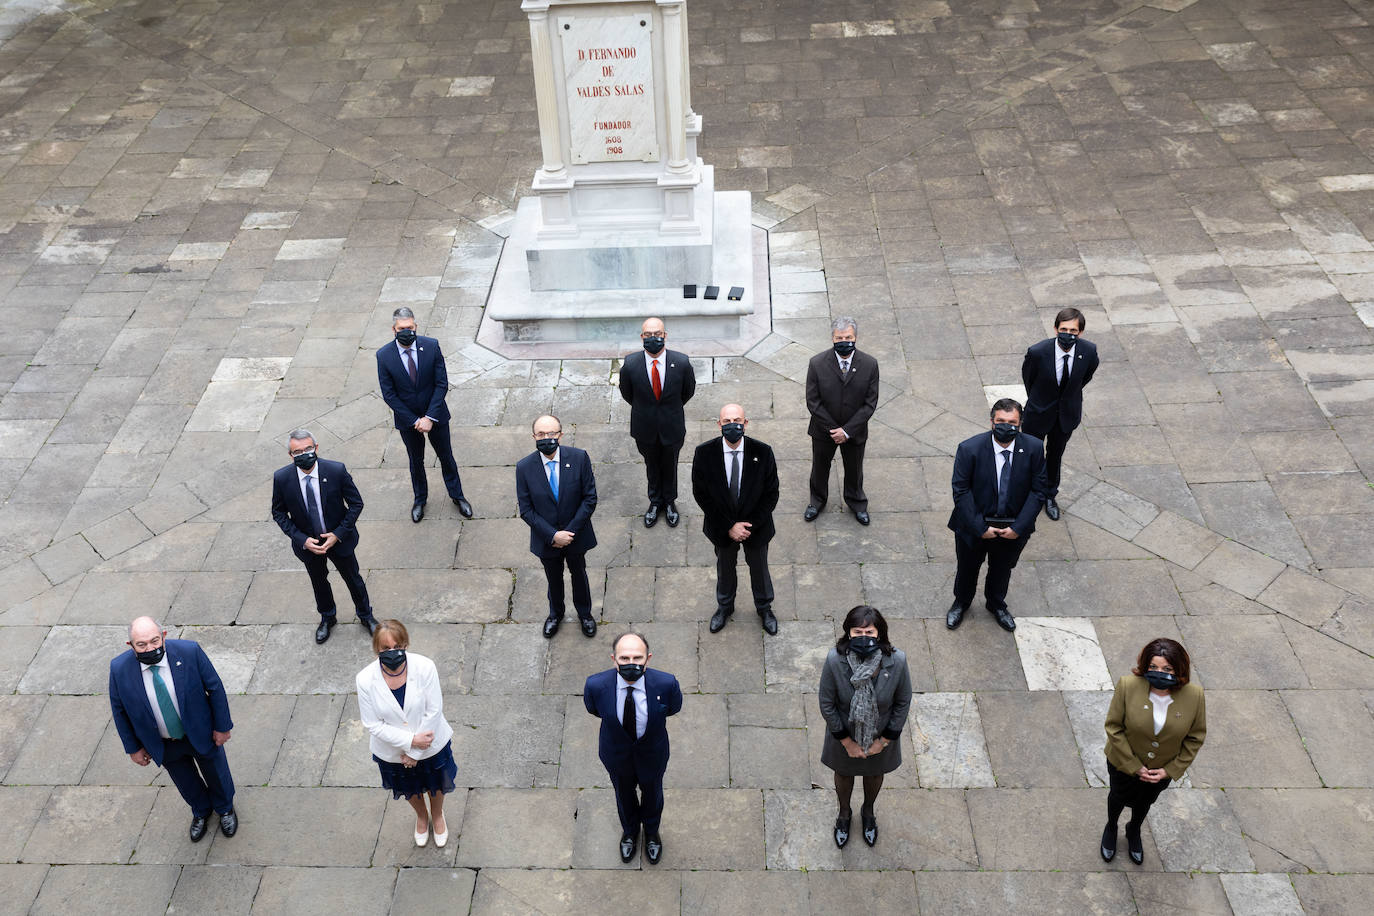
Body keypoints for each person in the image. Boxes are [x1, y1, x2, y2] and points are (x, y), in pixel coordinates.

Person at [108, 617, 237, 842]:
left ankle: (225, 808)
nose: (150, 648)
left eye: (154, 641)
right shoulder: (119, 669)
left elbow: (215, 688)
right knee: (185, 781)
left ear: (164, 636)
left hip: (201, 732)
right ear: (131, 646)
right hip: (164, 742)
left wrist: (222, 726)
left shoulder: (189, 652)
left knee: (216, 772)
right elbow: (119, 711)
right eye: (142, 645)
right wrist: (133, 748)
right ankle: (201, 811)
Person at [946, 398, 1047, 633]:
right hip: (975, 526)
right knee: (967, 568)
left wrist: (1019, 527)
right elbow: (961, 491)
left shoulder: (1032, 448)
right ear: (992, 421)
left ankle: (996, 604)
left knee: (1002, 569)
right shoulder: (969, 448)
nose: (1006, 426)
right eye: (1001, 421)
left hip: (1012, 528)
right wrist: (980, 527)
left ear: (1020, 423)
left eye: (1012, 422)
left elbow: (1038, 490)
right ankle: (961, 602)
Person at [1102, 637, 1206, 864]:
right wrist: (1134, 766)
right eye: (1154, 667)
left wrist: (1170, 770)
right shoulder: (1128, 686)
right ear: (1145, 666)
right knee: (1117, 797)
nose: (1160, 673)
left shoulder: (1194, 695)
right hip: (1123, 762)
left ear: (1179, 669)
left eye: (1167, 669)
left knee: (1145, 803)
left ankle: (1134, 830)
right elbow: (1114, 727)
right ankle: (1111, 828)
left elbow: (1195, 737)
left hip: (1160, 770)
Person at [270, 428, 379, 644]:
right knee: (318, 582)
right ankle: (328, 617)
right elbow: (278, 512)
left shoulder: (336, 470)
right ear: (290, 455)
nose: (304, 454)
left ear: (316, 448)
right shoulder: (282, 478)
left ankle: (366, 615)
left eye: (308, 448)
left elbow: (356, 504)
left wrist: (338, 534)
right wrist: (301, 539)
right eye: (298, 452)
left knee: (353, 579)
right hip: (308, 545)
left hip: (339, 540)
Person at [583, 632, 684, 865]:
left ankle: (651, 832)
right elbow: (594, 710)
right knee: (623, 794)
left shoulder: (666, 683)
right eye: (624, 658)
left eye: (637, 658)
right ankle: (630, 832)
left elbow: (673, 708)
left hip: (652, 755)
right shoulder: (596, 685)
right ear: (613, 659)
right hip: (617, 756)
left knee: (653, 794)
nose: (631, 664)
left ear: (648, 659)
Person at [356, 619, 457, 848]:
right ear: (377, 650)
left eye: (397, 647)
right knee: (409, 788)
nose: (393, 653)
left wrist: (415, 751)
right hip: (393, 752)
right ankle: (422, 817)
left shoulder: (425, 667)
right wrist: (411, 742)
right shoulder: (364, 680)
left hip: (431, 743)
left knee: (436, 783)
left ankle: (438, 816)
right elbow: (372, 724)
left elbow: (433, 710)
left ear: (406, 645)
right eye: (386, 649)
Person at [818, 606, 913, 849]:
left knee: (873, 773)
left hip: (880, 735)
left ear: (879, 634)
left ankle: (868, 811)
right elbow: (827, 704)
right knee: (844, 773)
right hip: (844, 735)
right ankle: (844, 814)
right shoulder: (834, 660)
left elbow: (902, 702)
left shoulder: (897, 661)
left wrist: (883, 741)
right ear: (848, 633)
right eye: (857, 631)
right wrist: (847, 742)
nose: (863, 637)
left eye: (869, 632)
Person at [376, 307, 473, 523]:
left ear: (416, 327)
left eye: (410, 327)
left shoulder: (431, 346)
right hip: (407, 420)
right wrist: (414, 420)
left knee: (446, 457)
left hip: (436, 415)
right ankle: (420, 499)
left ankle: (457, 496)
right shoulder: (383, 355)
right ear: (394, 329)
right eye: (402, 328)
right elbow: (389, 394)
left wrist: (430, 417)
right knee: (415, 460)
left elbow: (441, 383)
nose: (406, 331)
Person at [690, 403, 780, 635]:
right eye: (727, 421)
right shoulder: (704, 453)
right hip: (722, 529)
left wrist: (747, 526)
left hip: (755, 529)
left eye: (737, 421)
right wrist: (729, 526)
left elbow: (771, 494)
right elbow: (701, 494)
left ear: (745, 423)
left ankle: (764, 608)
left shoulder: (763, 452)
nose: (733, 426)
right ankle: (724, 607)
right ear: (719, 424)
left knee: (759, 569)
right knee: (725, 569)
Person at [516, 414, 599, 638]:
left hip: (576, 536)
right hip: (547, 539)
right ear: (534, 436)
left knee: (579, 574)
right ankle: (556, 614)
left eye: (551, 433)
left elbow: (589, 498)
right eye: (541, 434)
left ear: (561, 434)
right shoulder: (524, 467)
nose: (547, 438)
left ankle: (585, 614)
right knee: (553, 578)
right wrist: (553, 535)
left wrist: (569, 532)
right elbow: (526, 509)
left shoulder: (579, 458)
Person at [1020, 307, 1099, 521]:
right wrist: (1039, 402)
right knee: (1030, 455)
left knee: (1055, 456)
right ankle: (1026, 493)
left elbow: (1084, 378)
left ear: (1080, 332)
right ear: (1055, 329)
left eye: (1073, 330)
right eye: (1064, 329)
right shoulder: (1038, 352)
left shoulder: (1089, 351)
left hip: (1066, 416)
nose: (1068, 334)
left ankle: (1048, 495)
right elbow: (1029, 380)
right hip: (1038, 414)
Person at [618, 316, 696, 529]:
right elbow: (627, 393)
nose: (654, 338)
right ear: (642, 337)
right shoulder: (631, 363)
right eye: (649, 335)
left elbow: (687, 392)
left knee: (670, 466)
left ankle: (669, 502)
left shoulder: (681, 362)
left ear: (665, 336)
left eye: (658, 334)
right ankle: (655, 502)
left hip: (672, 427)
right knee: (651, 466)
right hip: (645, 428)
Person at [804, 317, 880, 526]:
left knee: (855, 469)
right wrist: (833, 429)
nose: (844, 341)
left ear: (855, 338)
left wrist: (847, 431)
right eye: (839, 338)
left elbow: (870, 403)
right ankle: (816, 501)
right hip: (823, 431)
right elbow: (813, 400)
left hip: (854, 432)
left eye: (848, 337)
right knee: (820, 468)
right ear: (832, 338)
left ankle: (857, 503)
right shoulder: (817, 363)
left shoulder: (870, 364)